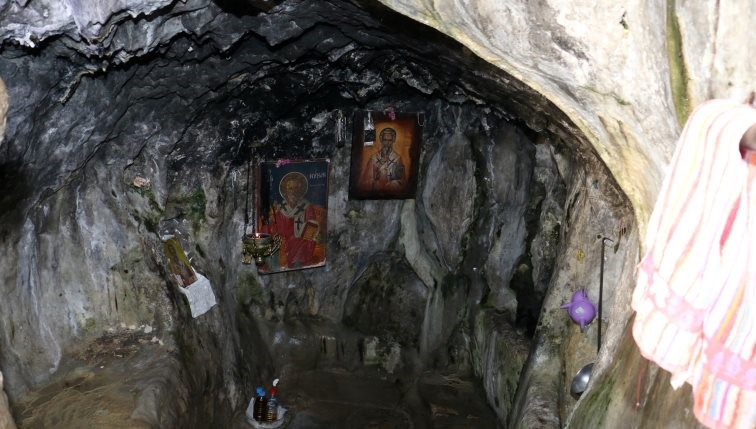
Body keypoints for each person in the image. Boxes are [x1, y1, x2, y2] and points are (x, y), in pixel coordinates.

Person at [261, 172, 326, 270]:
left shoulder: (307, 207)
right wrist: (269, 223)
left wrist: (308, 232)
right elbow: (277, 227)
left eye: (296, 188)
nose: (293, 192)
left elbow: (312, 227)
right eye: (290, 188)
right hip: (287, 243)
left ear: (300, 190)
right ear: (285, 191)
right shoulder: (282, 208)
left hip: (302, 243)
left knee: (299, 258)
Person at [364, 127, 405, 192]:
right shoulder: (373, 158)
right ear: (381, 140)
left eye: (390, 140)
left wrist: (391, 184)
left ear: (393, 140)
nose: (387, 143)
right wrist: (375, 180)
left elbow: (401, 182)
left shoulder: (397, 159)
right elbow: (365, 182)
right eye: (385, 140)